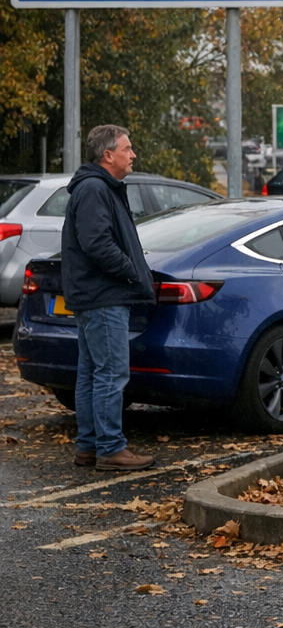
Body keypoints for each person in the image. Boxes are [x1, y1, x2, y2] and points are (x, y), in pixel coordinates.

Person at [62, 125, 156, 472]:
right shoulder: (94, 190)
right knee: (111, 374)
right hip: (104, 297)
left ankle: (89, 446)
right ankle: (111, 448)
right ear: (108, 155)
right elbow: (97, 243)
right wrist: (131, 270)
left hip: (95, 296)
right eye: (127, 149)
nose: (133, 155)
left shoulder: (97, 188)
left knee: (92, 374)